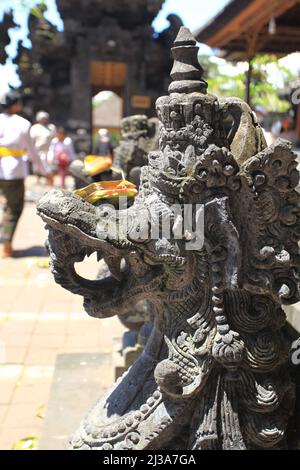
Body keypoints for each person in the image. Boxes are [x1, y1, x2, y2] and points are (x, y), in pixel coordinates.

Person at [0, 90, 53, 258]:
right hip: (12, 171)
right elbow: (33, 152)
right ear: (15, 104)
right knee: (14, 208)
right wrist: (46, 171)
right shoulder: (22, 124)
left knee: (6, 206)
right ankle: (6, 245)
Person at [30, 111, 56, 181]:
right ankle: (37, 180)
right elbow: (31, 140)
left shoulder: (51, 127)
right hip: (38, 150)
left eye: (45, 118)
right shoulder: (35, 128)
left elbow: (54, 139)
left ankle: (48, 180)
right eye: (42, 118)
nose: (44, 120)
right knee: (37, 167)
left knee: (48, 167)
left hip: (48, 150)